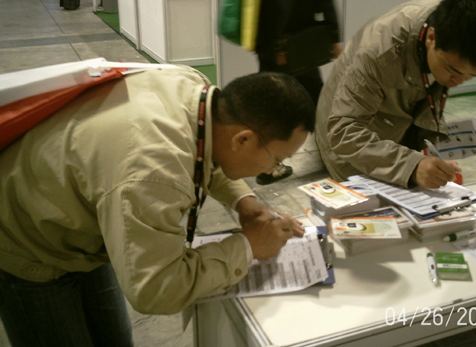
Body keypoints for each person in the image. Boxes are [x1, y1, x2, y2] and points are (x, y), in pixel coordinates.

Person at [0, 68, 313, 346]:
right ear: (243, 140)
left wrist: (245, 202)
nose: (271, 170)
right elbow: (155, 290)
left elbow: (205, 148)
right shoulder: (152, 172)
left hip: (79, 222)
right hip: (28, 244)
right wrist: (248, 246)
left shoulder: (194, 89)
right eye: (276, 160)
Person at [315, 0, 476, 190]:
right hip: (344, 126)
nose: (459, 81)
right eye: (452, 70)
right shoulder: (380, 52)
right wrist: (411, 165)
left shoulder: (457, 18)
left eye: (472, 76)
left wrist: (425, 162)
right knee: (371, 198)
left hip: (391, 119)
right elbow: (343, 132)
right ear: (431, 38)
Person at [252, 0, 341, 185]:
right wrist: (334, 37)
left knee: (271, 104)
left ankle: (267, 167)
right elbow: (325, 0)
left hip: (267, 43)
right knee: (317, 100)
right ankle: (336, 154)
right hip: (300, 48)